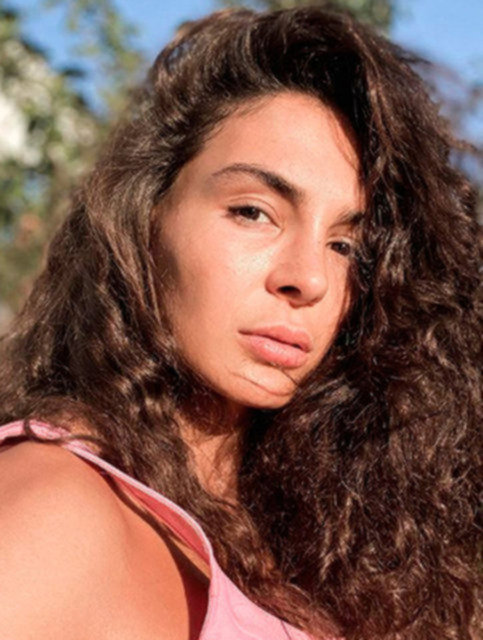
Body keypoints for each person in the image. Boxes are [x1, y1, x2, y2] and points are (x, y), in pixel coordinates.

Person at [0, 5, 480, 640]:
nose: (308, 279)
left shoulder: (327, 545)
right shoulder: (54, 506)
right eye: (254, 212)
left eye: (346, 246)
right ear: (145, 215)